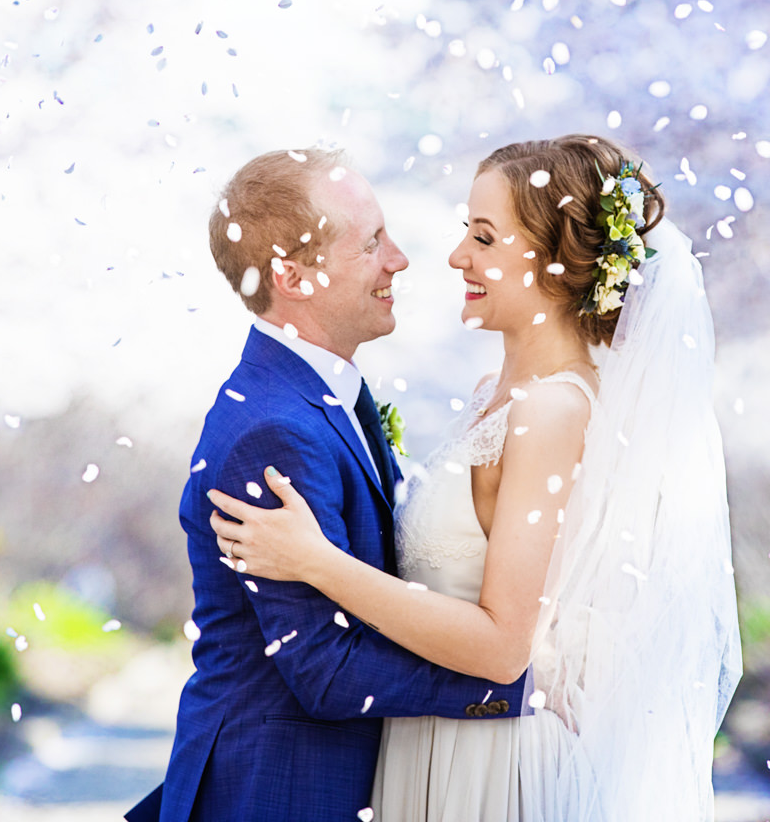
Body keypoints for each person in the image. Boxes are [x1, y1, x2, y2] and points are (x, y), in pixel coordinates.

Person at [208, 135, 742, 820]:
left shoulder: (552, 410)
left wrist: (317, 563)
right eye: (467, 231)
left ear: (554, 258)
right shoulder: (495, 393)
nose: (458, 255)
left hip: (489, 767)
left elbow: (502, 646)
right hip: (437, 743)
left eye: (485, 238)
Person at [127, 148, 525, 822]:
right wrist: (513, 688)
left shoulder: (317, 396)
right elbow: (325, 670)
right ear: (293, 275)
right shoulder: (273, 432)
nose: (398, 259)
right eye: (371, 243)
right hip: (276, 794)